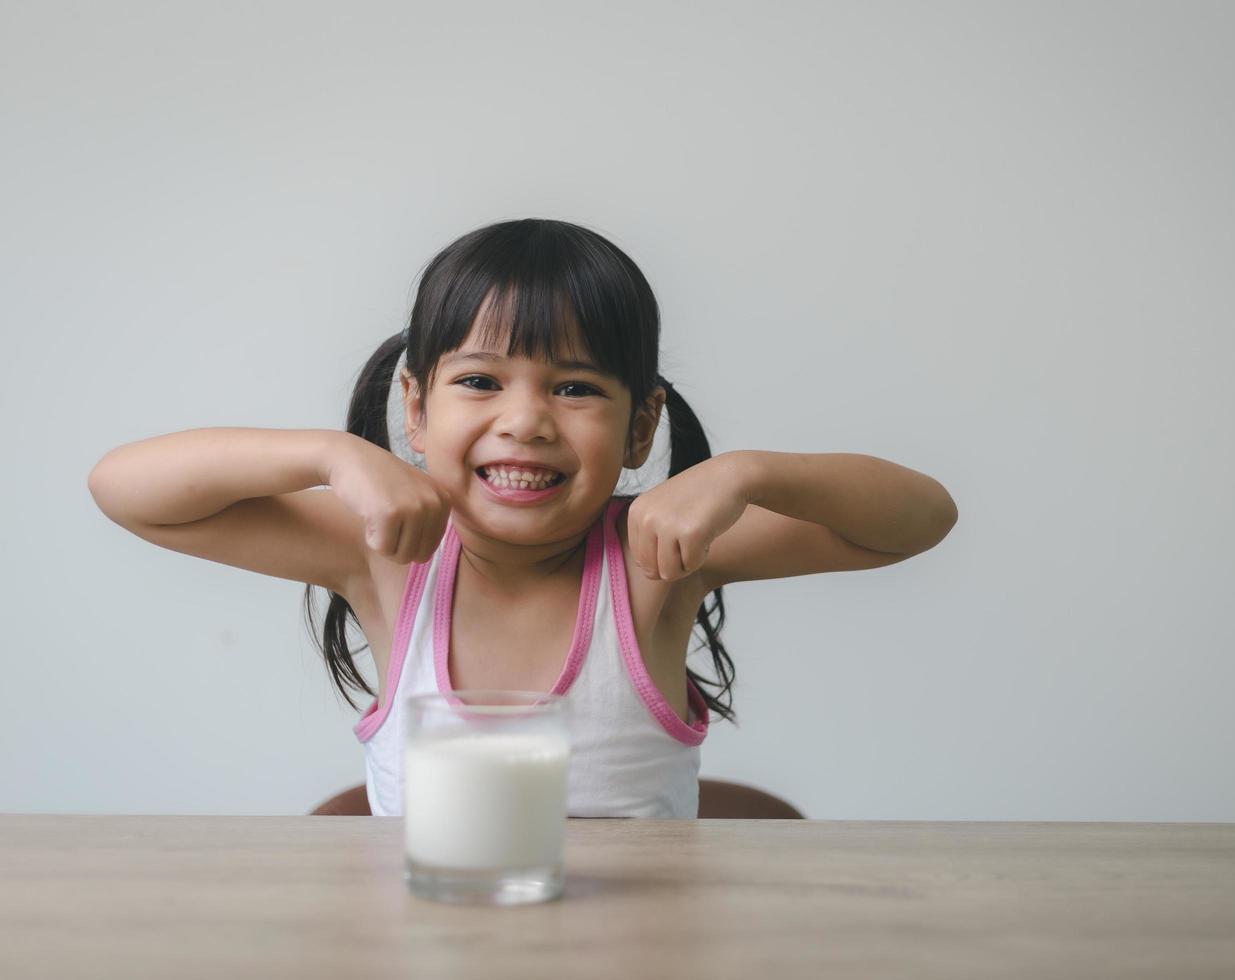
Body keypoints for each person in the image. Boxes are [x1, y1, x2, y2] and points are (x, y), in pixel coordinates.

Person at [88, 218, 959, 818]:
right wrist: (330, 456)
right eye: (479, 380)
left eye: (576, 387)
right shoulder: (388, 560)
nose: (527, 419)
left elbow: (920, 518)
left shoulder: (661, 560)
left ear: (640, 428)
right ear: (416, 412)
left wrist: (748, 472)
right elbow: (125, 488)